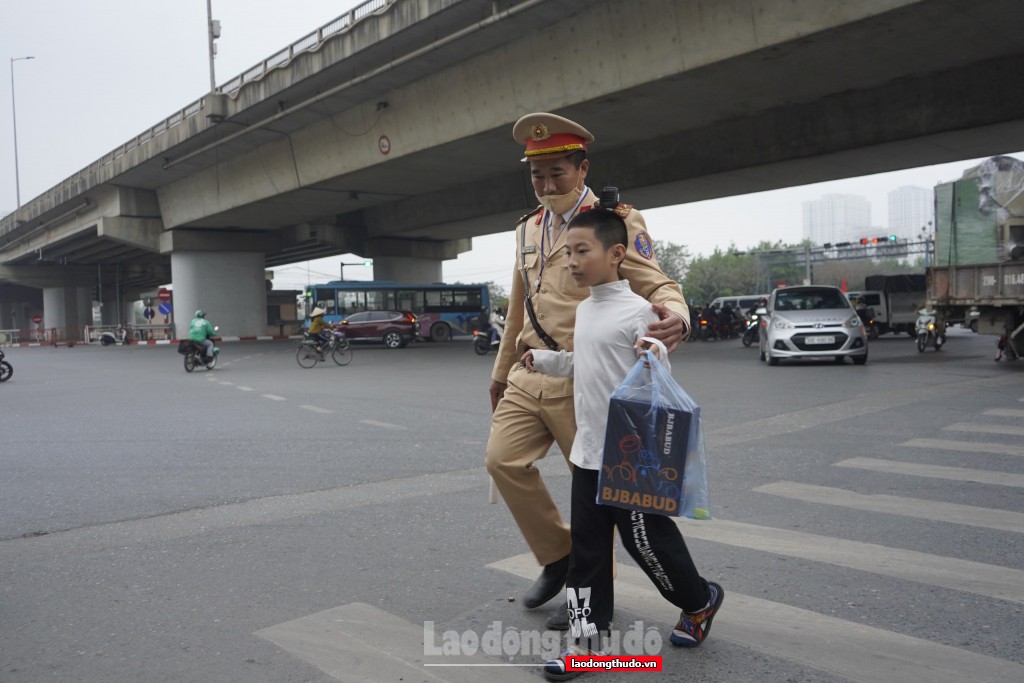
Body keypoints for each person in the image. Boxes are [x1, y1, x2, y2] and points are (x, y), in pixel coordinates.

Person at [485, 112, 690, 622]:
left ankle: (592, 599)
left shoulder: (613, 221)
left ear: (582, 169)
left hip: (585, 378)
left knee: (598, 500)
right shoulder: (528, 228)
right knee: (502, 461)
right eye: (537, 175)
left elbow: (655, 282)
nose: (546, 186)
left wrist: (678, 316)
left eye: (557, 173)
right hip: (531, 369)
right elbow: (519, 305)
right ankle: (559, 557)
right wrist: (501, 371)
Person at [521, 209, 722, 679]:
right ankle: (586, 643)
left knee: (649, 546)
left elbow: (656, 376)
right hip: (588, 453)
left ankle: (699, 601)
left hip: (630, 460)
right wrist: (546, 361)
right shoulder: (586, 309)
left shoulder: (639, 313)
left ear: (615, 254)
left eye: (582, 251)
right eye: (568, 253)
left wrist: (656, 351)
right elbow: (584, 362)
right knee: (587, 554)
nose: (572, 261)